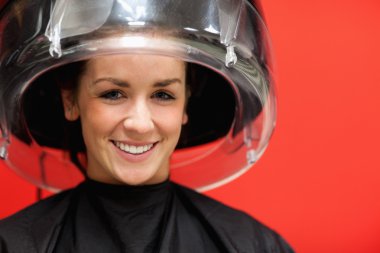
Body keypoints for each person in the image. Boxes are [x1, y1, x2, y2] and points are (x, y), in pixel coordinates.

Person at [0, 0, 294, 252]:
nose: (139, 124)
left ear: (185, 104)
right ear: (70, 101)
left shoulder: (251, 245)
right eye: (113, 94)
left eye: (163, 95)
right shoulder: (13, 244)